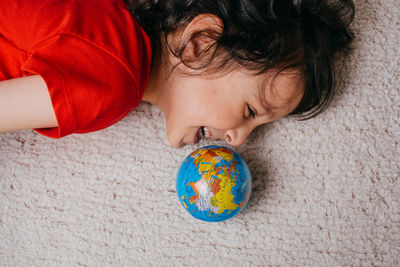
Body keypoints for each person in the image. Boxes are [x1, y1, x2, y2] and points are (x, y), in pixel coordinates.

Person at [0, 0, 355, 148]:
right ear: (200, 44)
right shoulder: (113, 81)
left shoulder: (110, 21)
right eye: (249, 111)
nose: (239, 140)